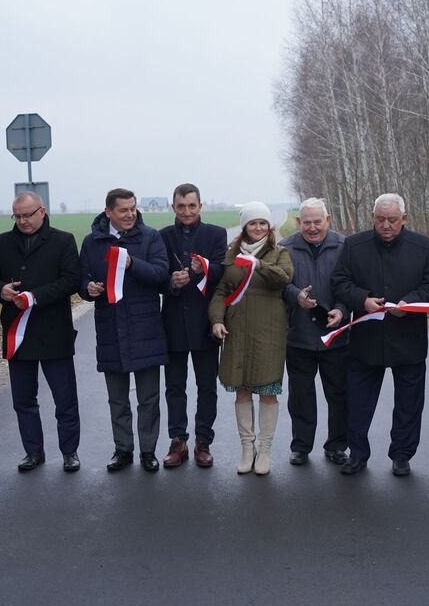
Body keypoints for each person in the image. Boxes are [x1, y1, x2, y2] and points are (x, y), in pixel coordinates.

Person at [331, 193, 429, 477]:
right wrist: (363, 299)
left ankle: (402, 455)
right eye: (380, 219)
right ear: (373, 217)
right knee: (358, 401)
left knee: (409, 402)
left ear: (404, 219)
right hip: (366, 338)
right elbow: (340, 282)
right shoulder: (354, 245)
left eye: (392, 220)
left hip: (408, 337)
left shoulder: (425, 247)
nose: (386, 225)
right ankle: (357, 454)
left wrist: (411, 302)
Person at [0, 192, 82, 473]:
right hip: (17, 333)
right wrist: (0, 289)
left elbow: (71, 280)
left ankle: (70, 452)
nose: (22, 221)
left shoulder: (63, 240)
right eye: (18, 215)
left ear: (42, 211)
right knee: (24, 400)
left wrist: (34, 296)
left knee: (65, 400)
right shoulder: (3, 242)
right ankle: (33, 452)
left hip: (54, 332)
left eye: (27, 215)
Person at [79, 188, 169, 472]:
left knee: (149, 398)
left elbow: (160, 275)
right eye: (123, 210)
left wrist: (132, 263)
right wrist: (88, 289)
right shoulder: (92, 242)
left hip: (146, 329)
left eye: (133, 208)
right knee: (117, 399)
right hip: (110, 329)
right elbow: (82, 280)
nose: (130, 214)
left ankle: (148, 451)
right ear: (109, 212)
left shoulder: (151, 237)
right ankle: (123, 450)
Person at [208, 202, 293, 475]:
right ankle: (247, 448)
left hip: (269, 332)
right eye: (252, 223)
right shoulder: (230, 255)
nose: (258, 228)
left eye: (263, 223)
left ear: (270, 227)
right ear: (244, 226)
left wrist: (259, 265)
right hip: (237, 332)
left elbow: (284, 278)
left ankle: (265, 450)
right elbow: (222, 290)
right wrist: (217, 320)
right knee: (242, 390)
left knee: (268, 392)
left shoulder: (279, 253)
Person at [158, 183, 227, 468]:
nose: (187, 211)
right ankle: (178, 441)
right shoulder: (161, 236)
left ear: (201, 206)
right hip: (172, 322)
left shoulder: (216, 234)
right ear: (173, 207)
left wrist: (207, 269)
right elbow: (155, 275)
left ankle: (203, 441)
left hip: (204, 322)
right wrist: (171, 283)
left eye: (192, 205)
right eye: (181, 206)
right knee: (174, 386)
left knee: (206, 386)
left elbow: (224, 274)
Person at [279, 197, 349, 466]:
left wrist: (341, 309)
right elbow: (280, 285)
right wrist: (297, 296)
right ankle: (301, 446)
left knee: (339, 394)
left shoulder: (344, 246)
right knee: (301, 395)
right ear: (298, 223)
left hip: (337, 335)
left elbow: (351, 284)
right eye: (306, 222)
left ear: (328, 220)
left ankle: (336, 446)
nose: (312, 227)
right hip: (299, 336)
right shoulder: (285, 248)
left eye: (317, 222)